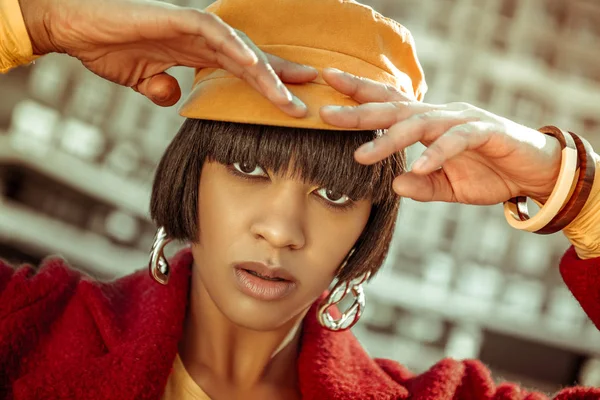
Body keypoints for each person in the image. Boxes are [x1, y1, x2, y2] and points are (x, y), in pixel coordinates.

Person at [1, 0, 599, 399]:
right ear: (190, 176)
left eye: (335, 192)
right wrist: (33, 22)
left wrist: (570, 186)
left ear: (372, 221)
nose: (283, 230)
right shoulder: (27, 326)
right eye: (246, 166)